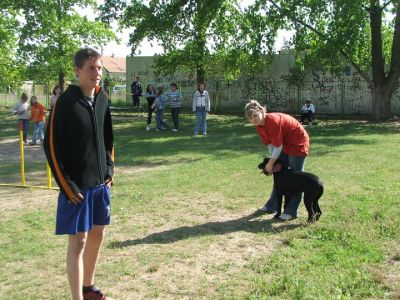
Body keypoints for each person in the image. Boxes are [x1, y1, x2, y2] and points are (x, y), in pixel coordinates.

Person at [44, 48, 114, 300]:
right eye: (91, 68)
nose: (97, 73)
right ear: (77, 70)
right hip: (76, 189)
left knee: (97, 234)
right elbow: (50, 146)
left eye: (99, 67)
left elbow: (108, 139)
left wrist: (109, 169)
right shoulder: (65, 103)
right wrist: (67, 185)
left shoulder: (102, 98)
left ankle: (88, 287)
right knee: (79, 242)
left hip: (99, 185)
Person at [245, 100, 309, 221]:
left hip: (297, 143)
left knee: (296, 178)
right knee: (280, 176)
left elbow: (277, 147)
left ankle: (292, 211)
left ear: (262, 112)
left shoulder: (273, 121)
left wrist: (270, 163)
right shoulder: (259, 126)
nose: (253, 119)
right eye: (250, 117)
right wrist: (273, 161)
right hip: (284, 144)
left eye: (255, 115)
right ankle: (272, 205)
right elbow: (270, 144)